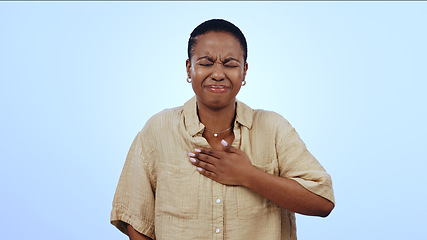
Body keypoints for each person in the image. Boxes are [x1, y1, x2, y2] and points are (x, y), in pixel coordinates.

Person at [111, 19, 335, 240]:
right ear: (189, 68)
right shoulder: (158, 130)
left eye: (230, 64)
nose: (218, 73)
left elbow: (322, 201)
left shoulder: (274, 128)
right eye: (206, 63)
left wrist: (249, 176)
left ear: (244, 71)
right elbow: (136, 219)